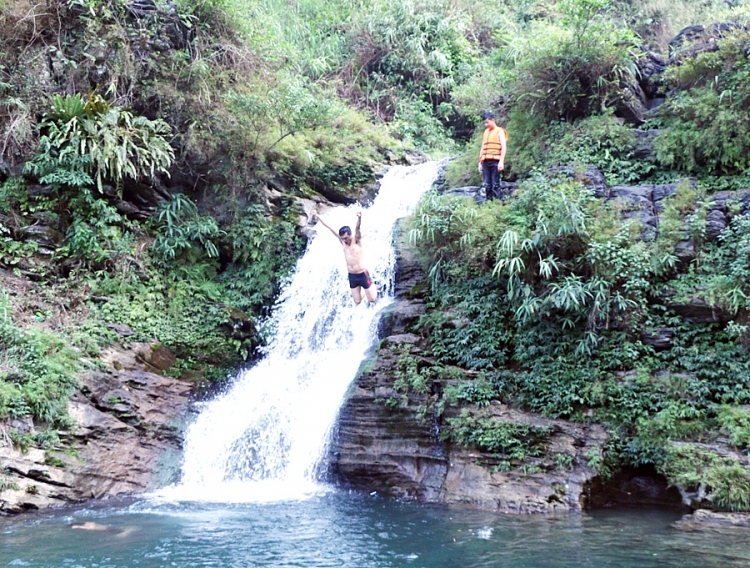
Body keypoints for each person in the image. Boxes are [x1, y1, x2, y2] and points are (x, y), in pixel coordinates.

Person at [311, 210, 378, 305]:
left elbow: (357, 228)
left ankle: (373, 287)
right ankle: (366, 290)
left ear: (350, 235)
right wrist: (317, 215)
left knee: (372, 299)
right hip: (352, 275)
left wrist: (359, 217)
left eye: (346, 238)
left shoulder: (357, 240)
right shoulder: (342, 241)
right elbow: (329, 226)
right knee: (357, 301)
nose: (344, 240)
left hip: (362, 273)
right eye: (342, 238)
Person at [477, 111, 507, 201]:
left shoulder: (499, 131)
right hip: (485, 161)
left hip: (495, 161)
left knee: (495, 184)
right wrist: (480, 162)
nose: (486, 125)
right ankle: (489, 203)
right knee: (487, 184)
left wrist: (501, 161)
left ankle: (497, 203)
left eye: (487, 122)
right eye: (484, 123)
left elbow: (504, 147)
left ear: (493, 120)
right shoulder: (486, 132)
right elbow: (483, 147)